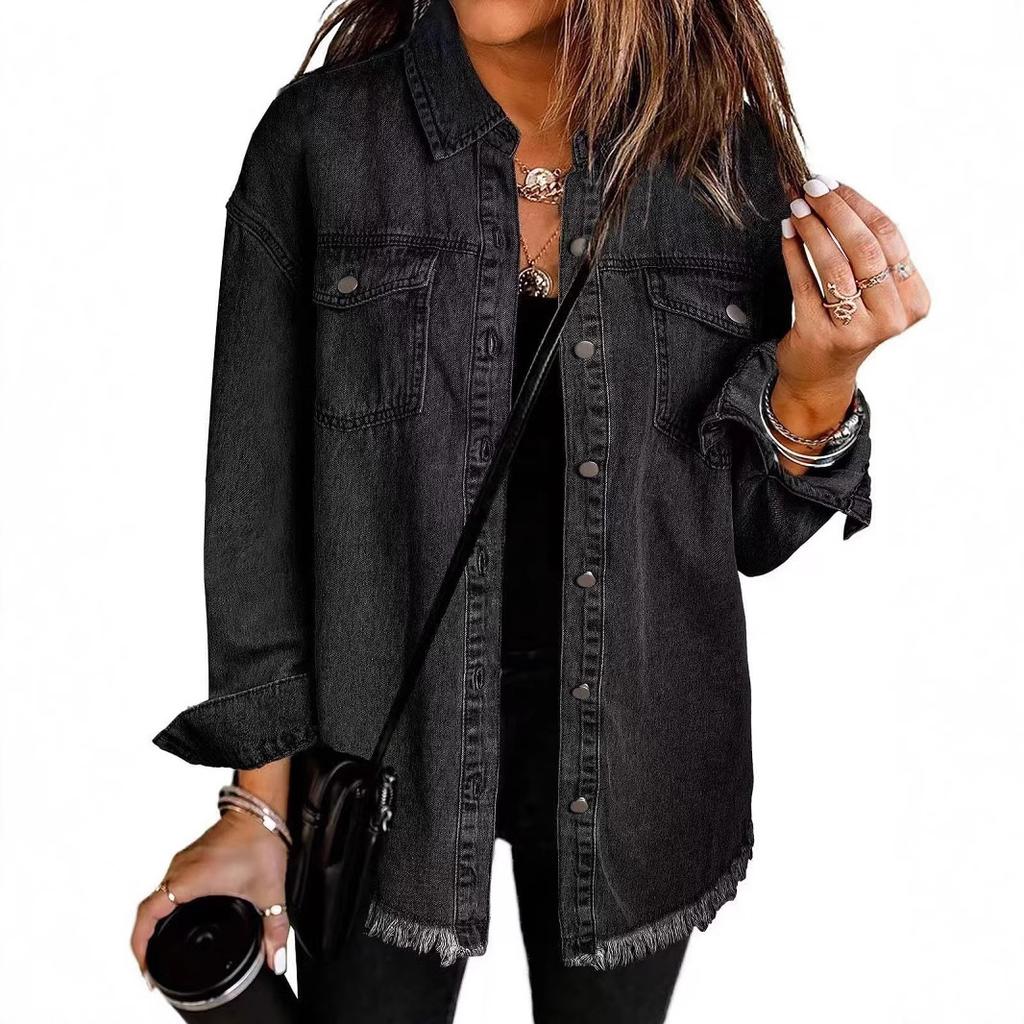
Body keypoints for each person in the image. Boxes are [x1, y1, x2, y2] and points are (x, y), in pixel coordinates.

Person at [130, 1, 929, 1020]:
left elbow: (749, 533)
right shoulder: (322, 142)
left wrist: (819, 382)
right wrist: (257, 806)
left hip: (643, 762)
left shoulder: (724, 162)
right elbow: (257, 506)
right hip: (382, 761)